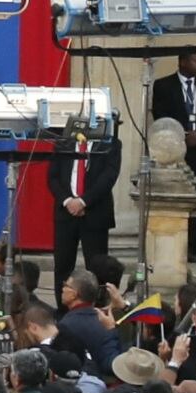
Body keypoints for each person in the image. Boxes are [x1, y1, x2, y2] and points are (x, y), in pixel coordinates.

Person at [49, 122, 118, 292]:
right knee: (62, 266)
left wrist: (83, 201)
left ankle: (98, 305)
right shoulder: (64, 143)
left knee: (98, 268)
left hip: (94, 213)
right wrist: (68, 201)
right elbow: (52, 177)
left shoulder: (110, 144)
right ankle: (63, 305)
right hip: (66, 213)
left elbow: (108, 177)